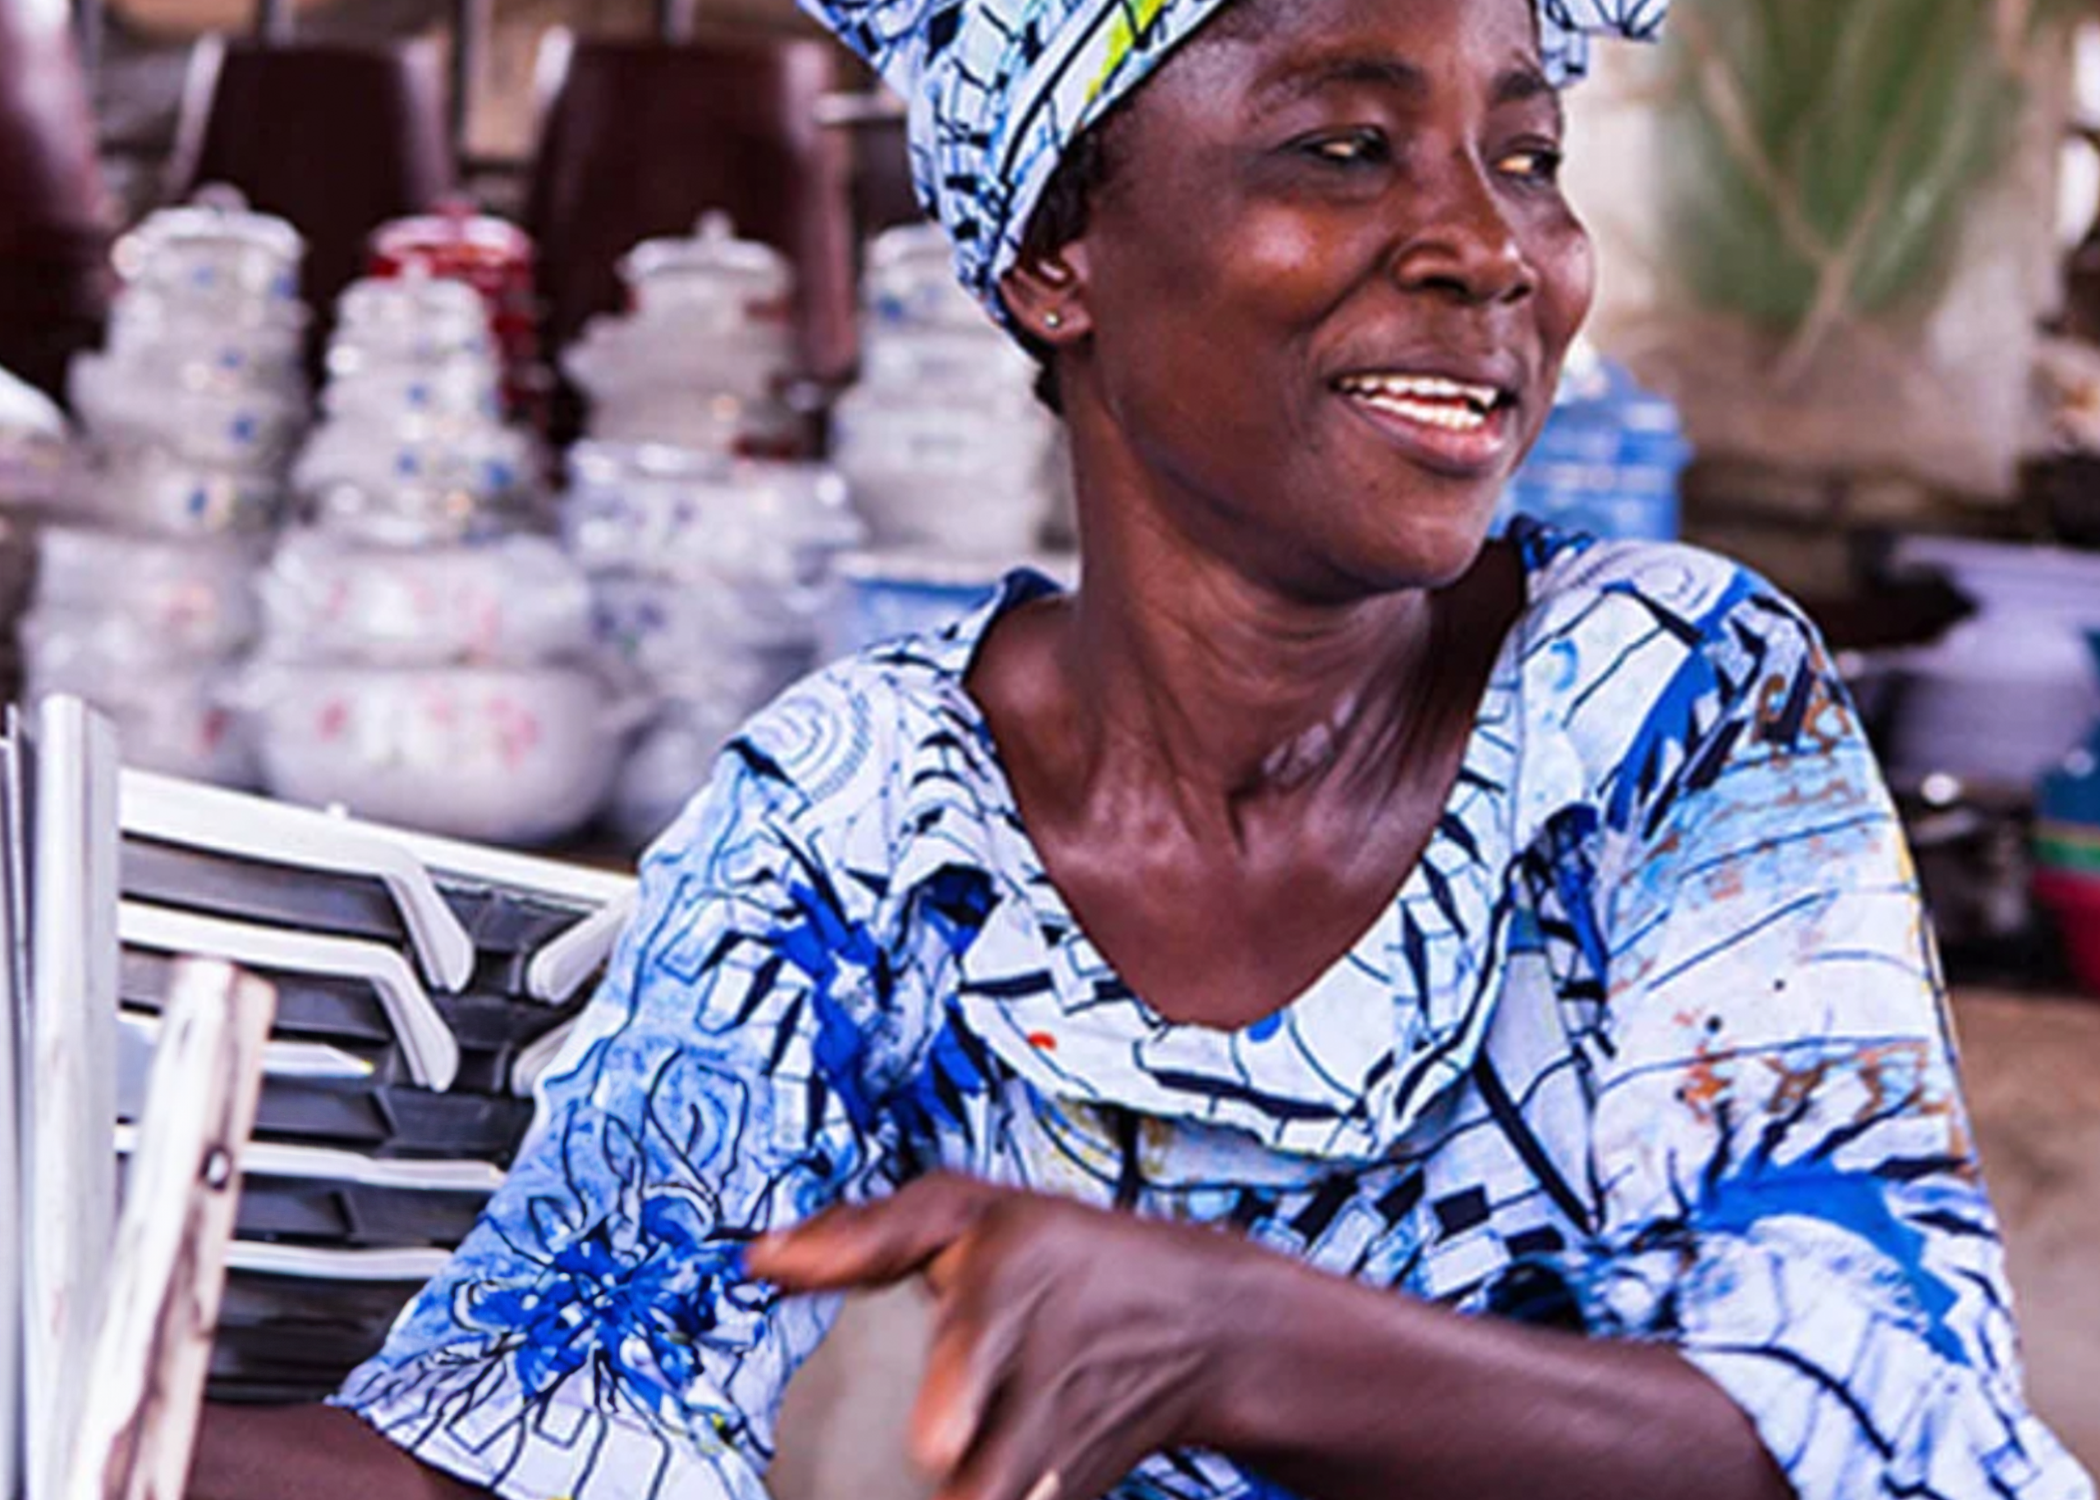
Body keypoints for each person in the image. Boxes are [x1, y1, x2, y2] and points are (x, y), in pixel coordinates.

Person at [190, 0, 2093, 1497]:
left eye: (1527, 154)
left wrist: (1241, 1339)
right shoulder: (863, 824)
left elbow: (1878, 1424)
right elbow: (537, 1433)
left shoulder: (1668, 706)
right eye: (1348, 145)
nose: (1491, 249)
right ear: (1054, 261)